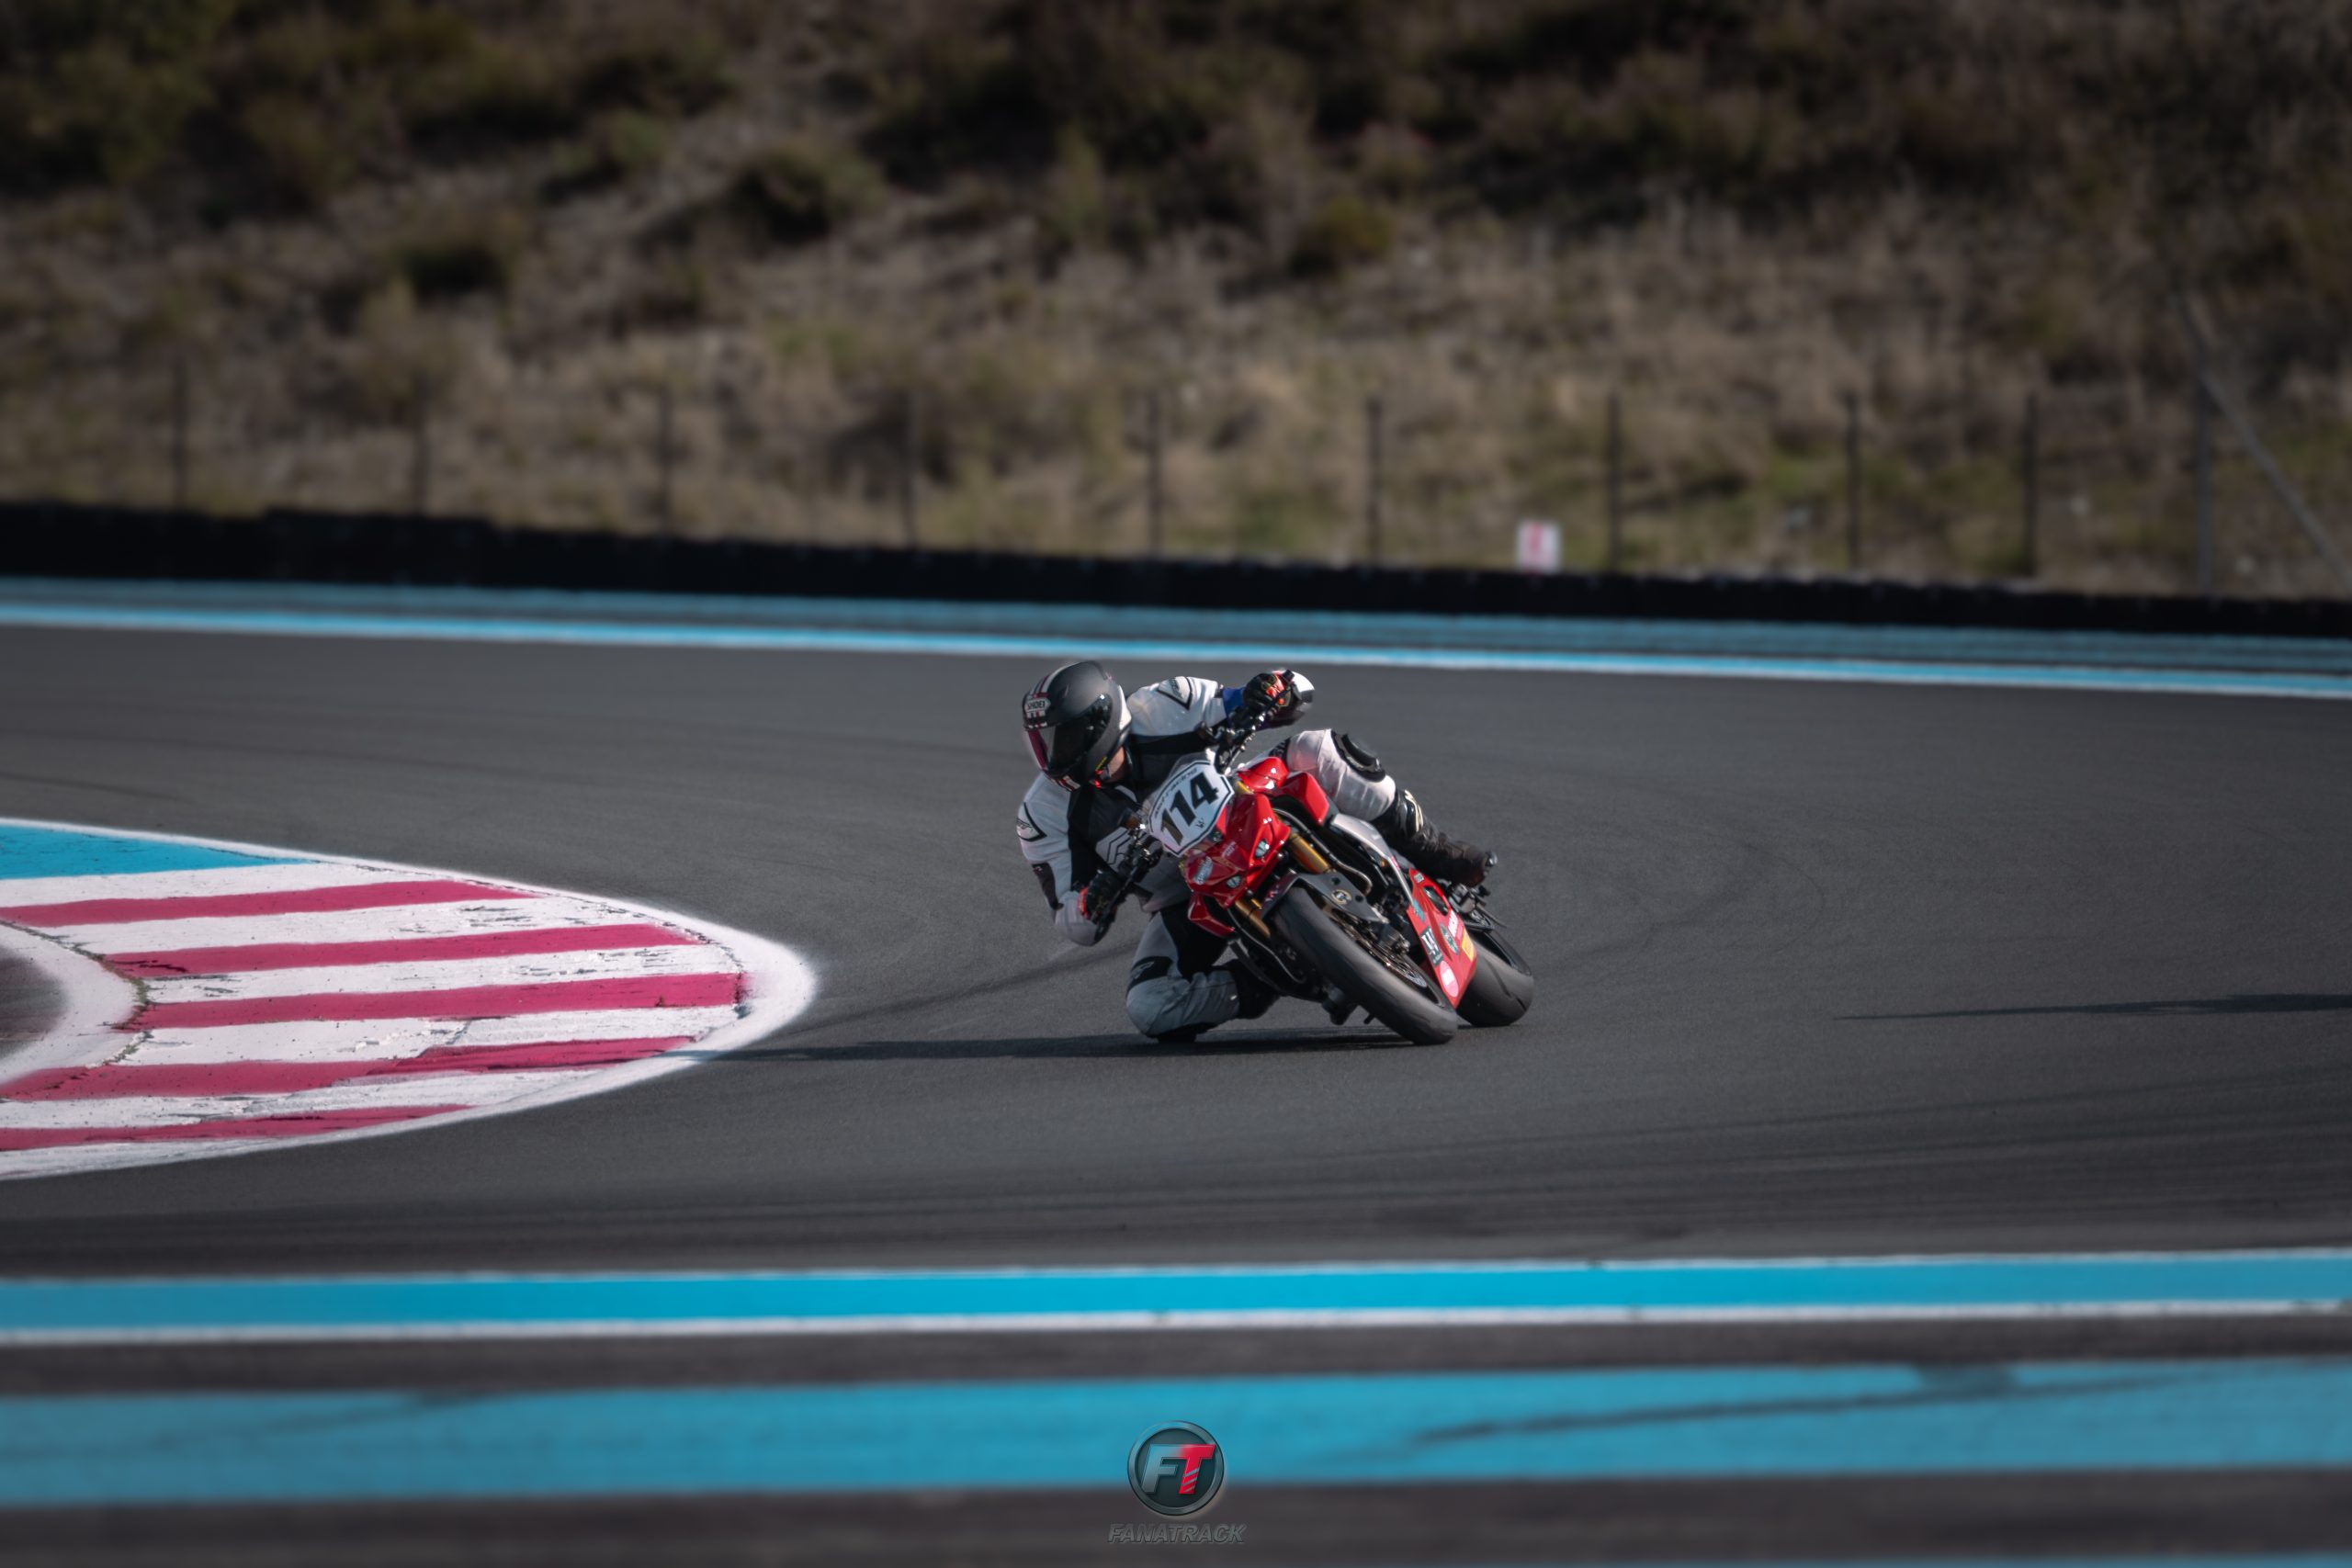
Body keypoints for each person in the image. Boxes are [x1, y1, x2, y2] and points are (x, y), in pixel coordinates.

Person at [1016, 660, 1490, 1043]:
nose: (1051, 757)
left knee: (1319, 749)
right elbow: (1073, 923)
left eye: (1061, 739)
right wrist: (1095, 898)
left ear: (1099, 725)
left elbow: (1286, 689)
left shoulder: (1166, 703)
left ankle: (1432, 847)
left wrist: (1269, 692)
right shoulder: (1043, 814)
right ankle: (1271, 974)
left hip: (1243, 802)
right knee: (1150, 1006)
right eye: (1041, 742)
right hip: (1189, 896)